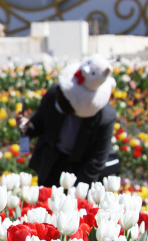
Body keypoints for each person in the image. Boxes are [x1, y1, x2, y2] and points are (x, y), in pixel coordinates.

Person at [17, 54, 120, 187]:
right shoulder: (56, 91)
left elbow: (97, 159)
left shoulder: (104, 116)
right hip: (52, 162)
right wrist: (28, 126)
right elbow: (40, 121)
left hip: (80, 167)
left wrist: (78, 190)